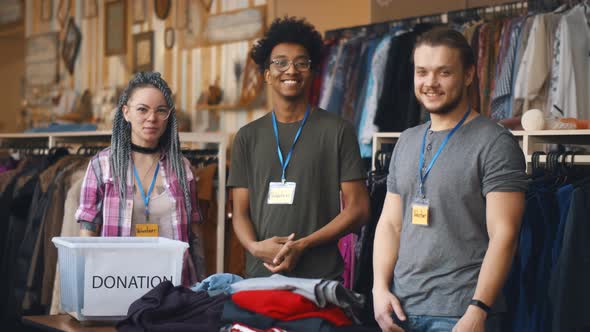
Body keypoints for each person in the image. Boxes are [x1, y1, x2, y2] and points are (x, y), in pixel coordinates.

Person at [372, 28, 528, 332]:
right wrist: (379, 289)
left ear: (468, 75)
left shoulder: (494, 142)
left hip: (460, 313)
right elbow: (390, 224)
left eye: (444, 72)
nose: (430, 83)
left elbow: (505, 234)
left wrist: (479, 309)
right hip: (401, 309)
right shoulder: (406, 141)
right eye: (422, 72)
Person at [227, 17, 370, 280]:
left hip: (320, 279)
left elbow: (359, 207)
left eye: (301, 62)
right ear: (267, 74)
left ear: (312, 71)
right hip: (261, 277)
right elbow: (240, 213)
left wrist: (303, 245)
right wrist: (255, 247)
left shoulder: (338, 130)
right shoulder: (247, 137)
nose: (291, 70)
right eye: (280, 62)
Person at [76, 71, 203, 286]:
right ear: (125, 112)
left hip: (175, 287)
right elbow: (87, 235)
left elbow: (195, 235)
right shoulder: (102, 166)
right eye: (142, 109)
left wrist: (202, 286)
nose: (152, 118)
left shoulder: (182, 168)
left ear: (169, 115)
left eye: (160, 110)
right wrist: (86, 291)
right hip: (117, 284)